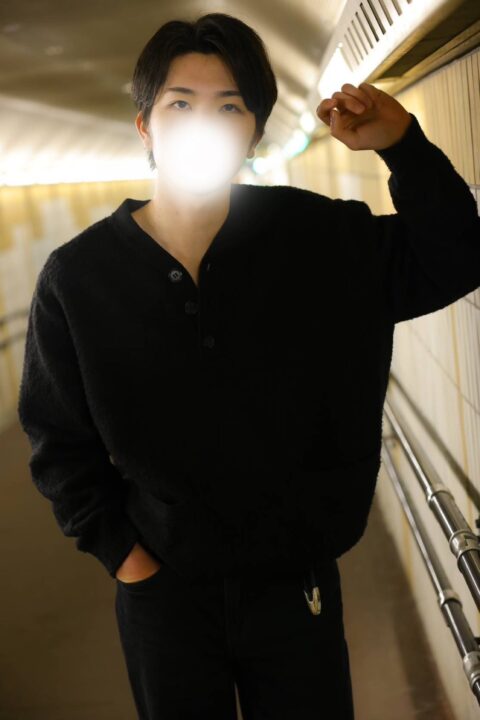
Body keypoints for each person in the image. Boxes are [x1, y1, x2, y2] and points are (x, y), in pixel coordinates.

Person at [17, 11, 480, 720]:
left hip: (297, 584)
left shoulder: (318, 240)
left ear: (254, 132)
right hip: (162, 593)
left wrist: (404, 147)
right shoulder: (78, 278)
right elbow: (56, 438)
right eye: (180, 105)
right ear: (145, 126)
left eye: (229, 107)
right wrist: (127, 560)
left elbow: (454, 256)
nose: (203, 124)